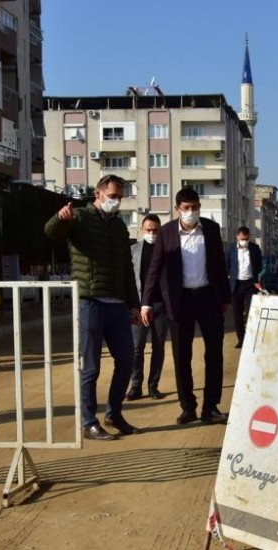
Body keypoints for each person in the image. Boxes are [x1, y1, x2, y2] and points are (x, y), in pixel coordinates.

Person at [45, 175, 141, 441]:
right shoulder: (79, 217)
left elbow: (126, 269)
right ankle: (89, 422)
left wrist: (133, 303)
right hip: (90, 302)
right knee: (91, 367)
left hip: (118, 305)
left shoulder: (120, 228)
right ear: (99, 194)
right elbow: (51, 233)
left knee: (126, 361)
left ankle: (114, 413)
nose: (117, 201)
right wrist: (60, 218)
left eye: (120, 197)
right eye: (113, 195)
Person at [141, 187, 231, 426]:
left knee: (214, 354)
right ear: (177, 209)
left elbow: (220, 266)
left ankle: (211, 407)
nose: (191, 212)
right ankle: (187, 407)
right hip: (179, 301)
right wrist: (145, 302)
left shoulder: (211, 230)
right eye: (186, 208)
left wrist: (225, 298)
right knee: (182, 356)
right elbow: (154, 269)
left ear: (199, 207)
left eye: (195, 207)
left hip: (208, 299)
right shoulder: (167, 232)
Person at [123, 214, 167, 401]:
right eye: (148, 230)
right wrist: (132, 305)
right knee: (136, 347)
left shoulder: (167, 251)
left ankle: (153, 386)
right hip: (138, 305)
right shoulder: (133, 251)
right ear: (142, 230)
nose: (151, 233)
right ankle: (135, 386)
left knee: (158, 347)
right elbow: (127, 278)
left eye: (155, 230)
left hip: (161, 305)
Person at [225, 225, 262, 348]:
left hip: (250, 285)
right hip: (236, 285)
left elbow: (259, 266)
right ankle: (241, 339)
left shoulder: (255, 248)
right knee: (237, 315)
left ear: (249, 237)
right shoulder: (230, 249)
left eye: (246, 239)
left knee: (252, 312)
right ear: (237, 237)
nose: (244, 241)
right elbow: (226, 266)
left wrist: (257, 279)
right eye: (242, 239)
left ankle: (252, 338)